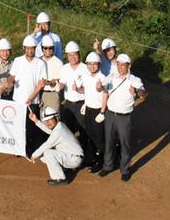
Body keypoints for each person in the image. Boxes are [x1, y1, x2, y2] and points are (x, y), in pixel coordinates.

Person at [99, 54, 147, 182]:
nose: (120, 67)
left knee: (125, 144)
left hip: (124, 117)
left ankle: (125, 169)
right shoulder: (111, 77)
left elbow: (143, 94)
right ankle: (108, 166)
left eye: (122, 65)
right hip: (110, 115)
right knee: (108, 141)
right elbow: (102, 88)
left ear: (129, 66)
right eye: (118, 64)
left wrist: (137, 92)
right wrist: (99, 87)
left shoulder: (135, 80)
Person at [8, 35, 47, 156]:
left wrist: (31, 97)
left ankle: (29, 150)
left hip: (32, 101)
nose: (30, 51)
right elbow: (12, 76)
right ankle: (18, 149)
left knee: (31, 128)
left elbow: (41, 84)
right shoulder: (18, 61)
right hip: (18, 101)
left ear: (35, 48)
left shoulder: (40, 63)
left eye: (32, 48)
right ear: (24, 48)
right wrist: (10, 81)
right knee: (18, 127)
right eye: (28, 48)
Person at [57, 41, 93, 163]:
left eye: (75, 54)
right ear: (67, 56)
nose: (72, 57)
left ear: (79, 54)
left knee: (83, 130)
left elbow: (90, 87)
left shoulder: (85, 68)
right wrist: (60, 86)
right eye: (70, 55)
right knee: (69, 130)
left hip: (81, 104)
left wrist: (79, 89)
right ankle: (71, 154)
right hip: (68, 104)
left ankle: (82, 155)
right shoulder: (64, 68)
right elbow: (61, 82)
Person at [29, 107, 84, 186]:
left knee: (48, 153)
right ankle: (65, 169)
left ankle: (60, 178)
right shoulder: (60, 125)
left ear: (56, 117)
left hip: (74, 159)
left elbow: (47, 145)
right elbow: (50, 131)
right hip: (72, 156)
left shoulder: (59, 130)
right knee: (43, 156)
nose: (47, 123)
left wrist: (33, 155)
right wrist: (36, 121)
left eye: (49, 120)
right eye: (45, 121)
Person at [74, 52, 108, 173]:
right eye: (89, 64)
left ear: (99, 65)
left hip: (98, 111)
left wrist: (102, 112)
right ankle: (93, 158)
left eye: (95, 64)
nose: (92, 66)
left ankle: (102, 161)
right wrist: (77, 89)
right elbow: (86, 90)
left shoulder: (103, 78)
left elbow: (105, 94)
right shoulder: (86, 76)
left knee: (99, 137)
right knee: (90, 134)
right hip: (88, 109)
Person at [40, 35, 63, 113]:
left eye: (50, 48)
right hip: (40, 93)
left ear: (53, 48)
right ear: (42, 48)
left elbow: (58, 80)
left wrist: (48, 82)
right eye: (45, 48)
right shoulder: (38, 61)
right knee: (42, 118)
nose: (48, 50)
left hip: (52, 94)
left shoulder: (58, 63)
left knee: (53, 118)